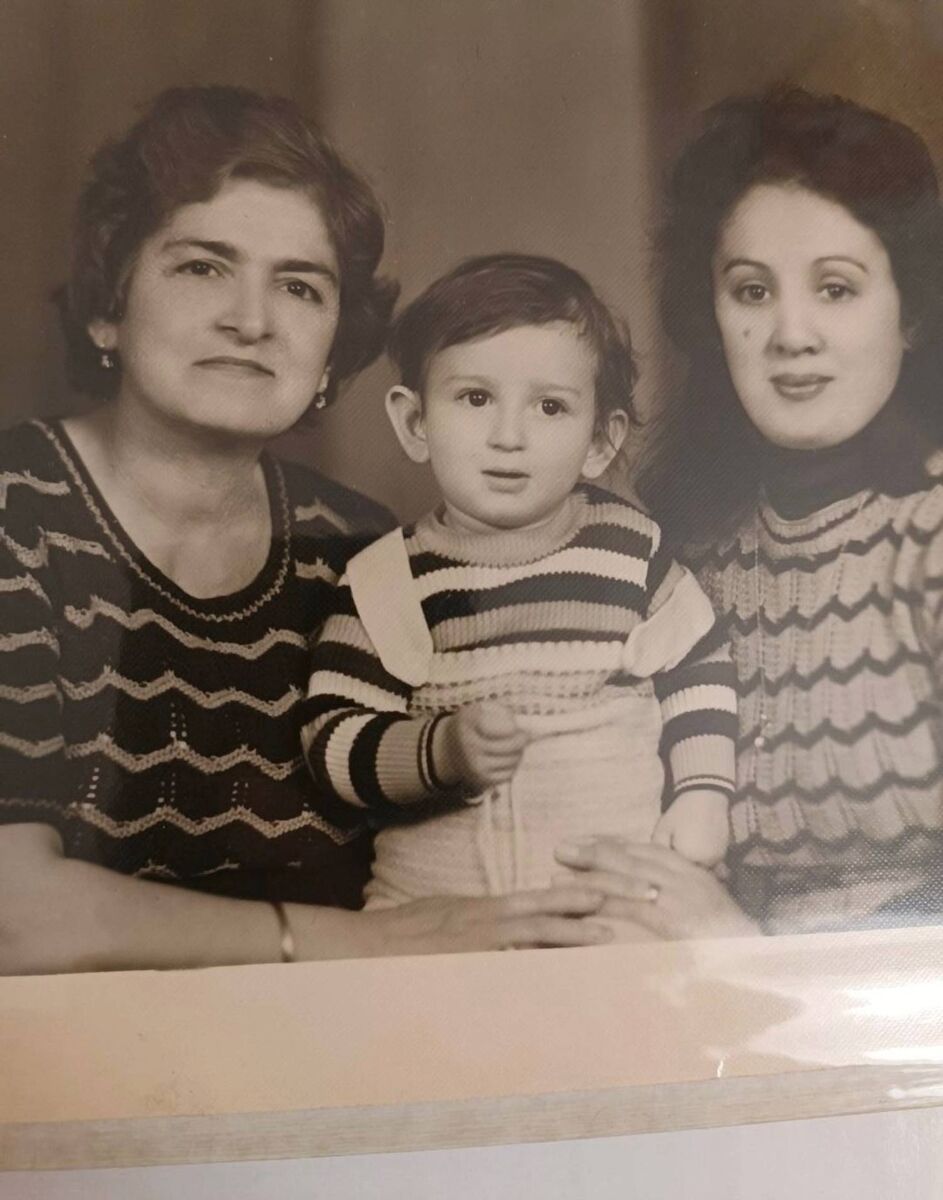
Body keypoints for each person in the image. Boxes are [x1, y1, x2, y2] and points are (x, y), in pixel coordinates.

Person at [0, 88, 612, 974]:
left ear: (331, 353)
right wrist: (347, 941)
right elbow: (13, 916)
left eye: (298, 285)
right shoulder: (18, 517)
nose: (251, 320)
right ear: (107, 305)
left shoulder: (363, 552)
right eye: (201, 267)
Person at [556, 88, 943, 937]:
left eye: (836, 290)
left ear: (909, 313)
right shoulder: (688, 552)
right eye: (751, 291)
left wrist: (742, 952)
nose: (790, 334)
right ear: (712, 313)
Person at [301, 253, 738, 922]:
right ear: (415, 423)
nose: (508, 436)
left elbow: (699, 667)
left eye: (549, 407)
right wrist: (439, 751)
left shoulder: (630, 557)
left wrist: (702, 792)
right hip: (435, 924)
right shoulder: (387, 582)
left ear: (599, 441)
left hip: (608, 916)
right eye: (475, 399)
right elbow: (332, 742)